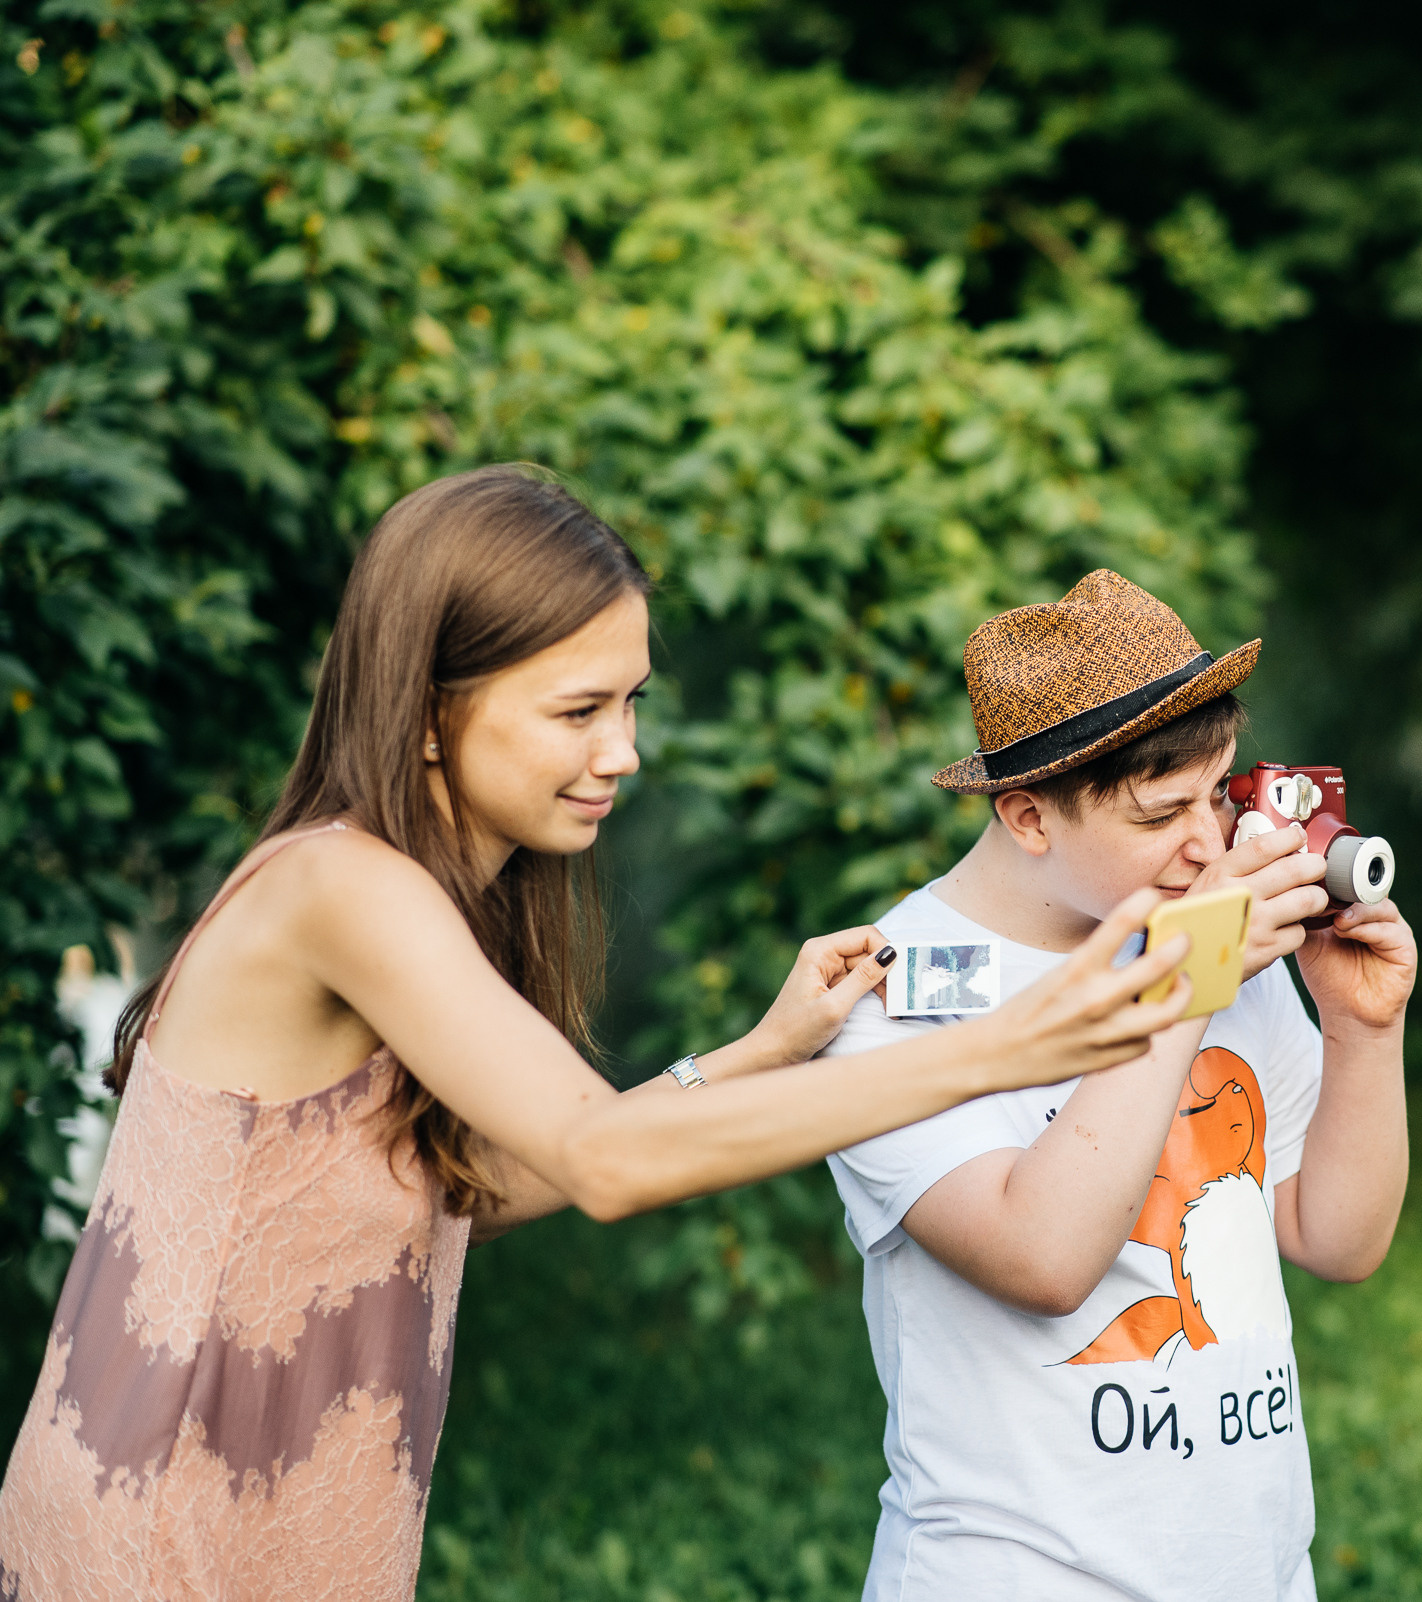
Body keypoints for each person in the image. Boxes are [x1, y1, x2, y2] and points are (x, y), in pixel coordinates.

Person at [0, 469, 1198, 1602]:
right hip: (160, 1531)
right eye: (578, 710)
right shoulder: (339, 891)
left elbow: (468, 1187)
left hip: (291, 1524)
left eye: (629, 702)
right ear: (427, 715)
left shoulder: (428, 893)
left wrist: (759, 1050)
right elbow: (606, 1162)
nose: (621, 751)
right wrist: (1009, 1048)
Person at [821, 570, 1418, 1600]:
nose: (1210, 845)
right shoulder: (891, 992)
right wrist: (1190, 975)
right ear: (1030, 818)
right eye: (1160, 814)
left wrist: (1366, 1029)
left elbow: (1339, 1239)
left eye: (1219, 796)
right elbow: (1044, 1259)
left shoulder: (1204, 928)